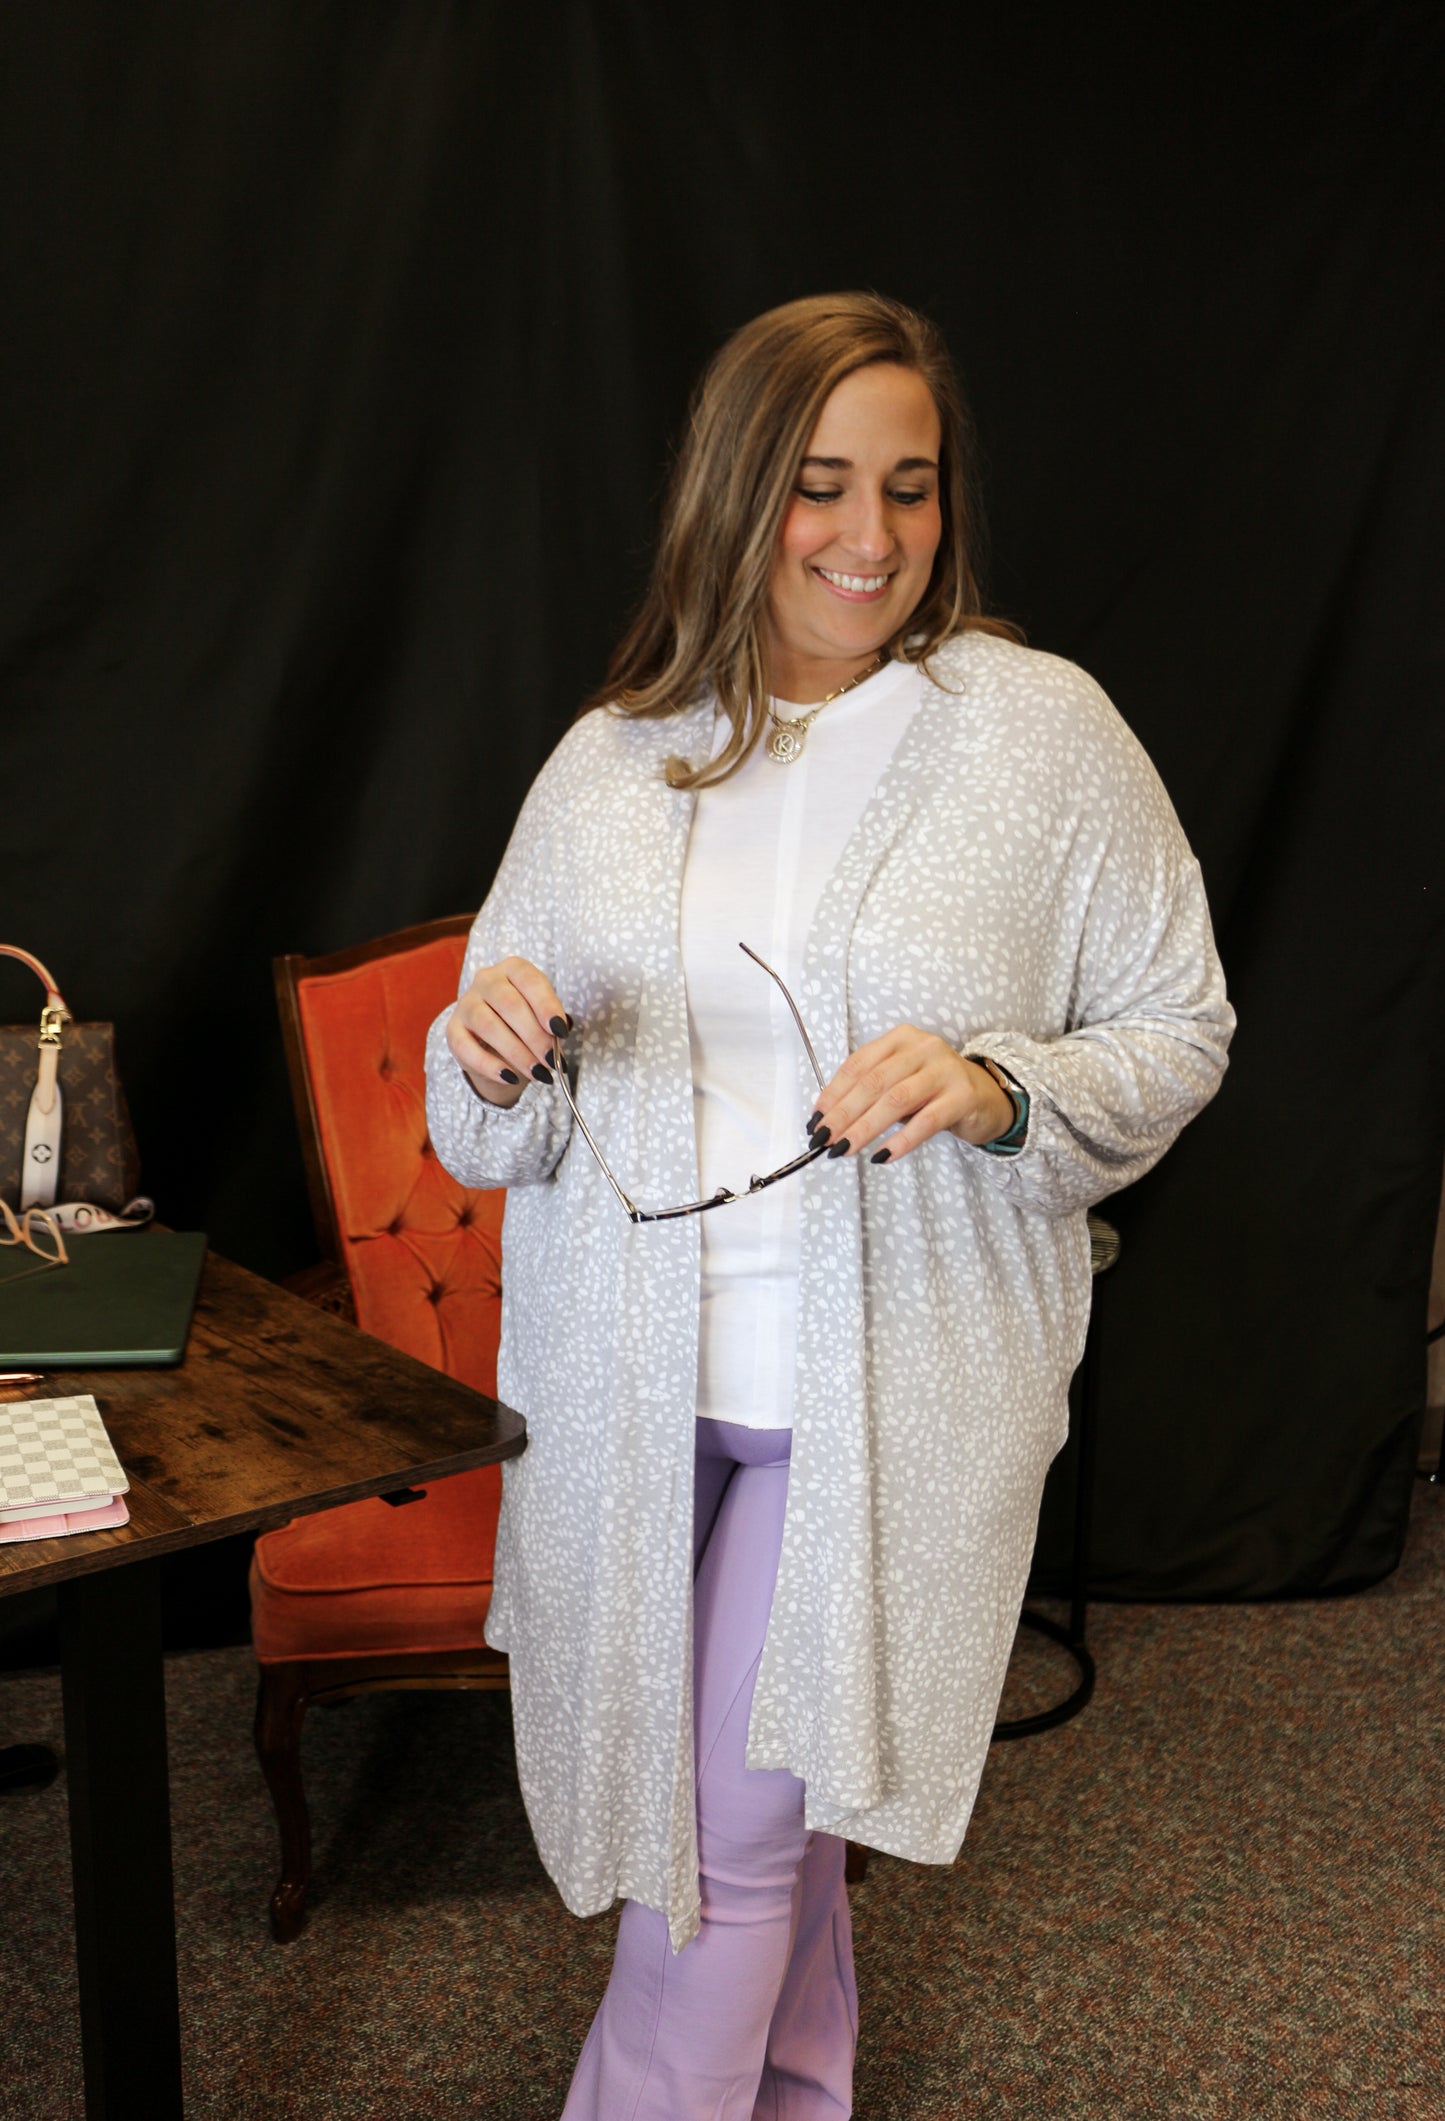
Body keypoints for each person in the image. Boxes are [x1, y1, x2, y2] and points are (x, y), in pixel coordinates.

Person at [425, 291, 1235, 2117]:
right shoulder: (614, 756)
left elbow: (1180, 1026)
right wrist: (485, 1052)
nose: (870, 535)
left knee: (715, 1842)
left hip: (888, 1395)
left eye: (909, 486)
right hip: (627, 1393)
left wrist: (997, 1086)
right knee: (736, 1826)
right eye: (819, 484)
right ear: (734, 493)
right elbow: (474, 1116)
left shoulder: (1035, 734)